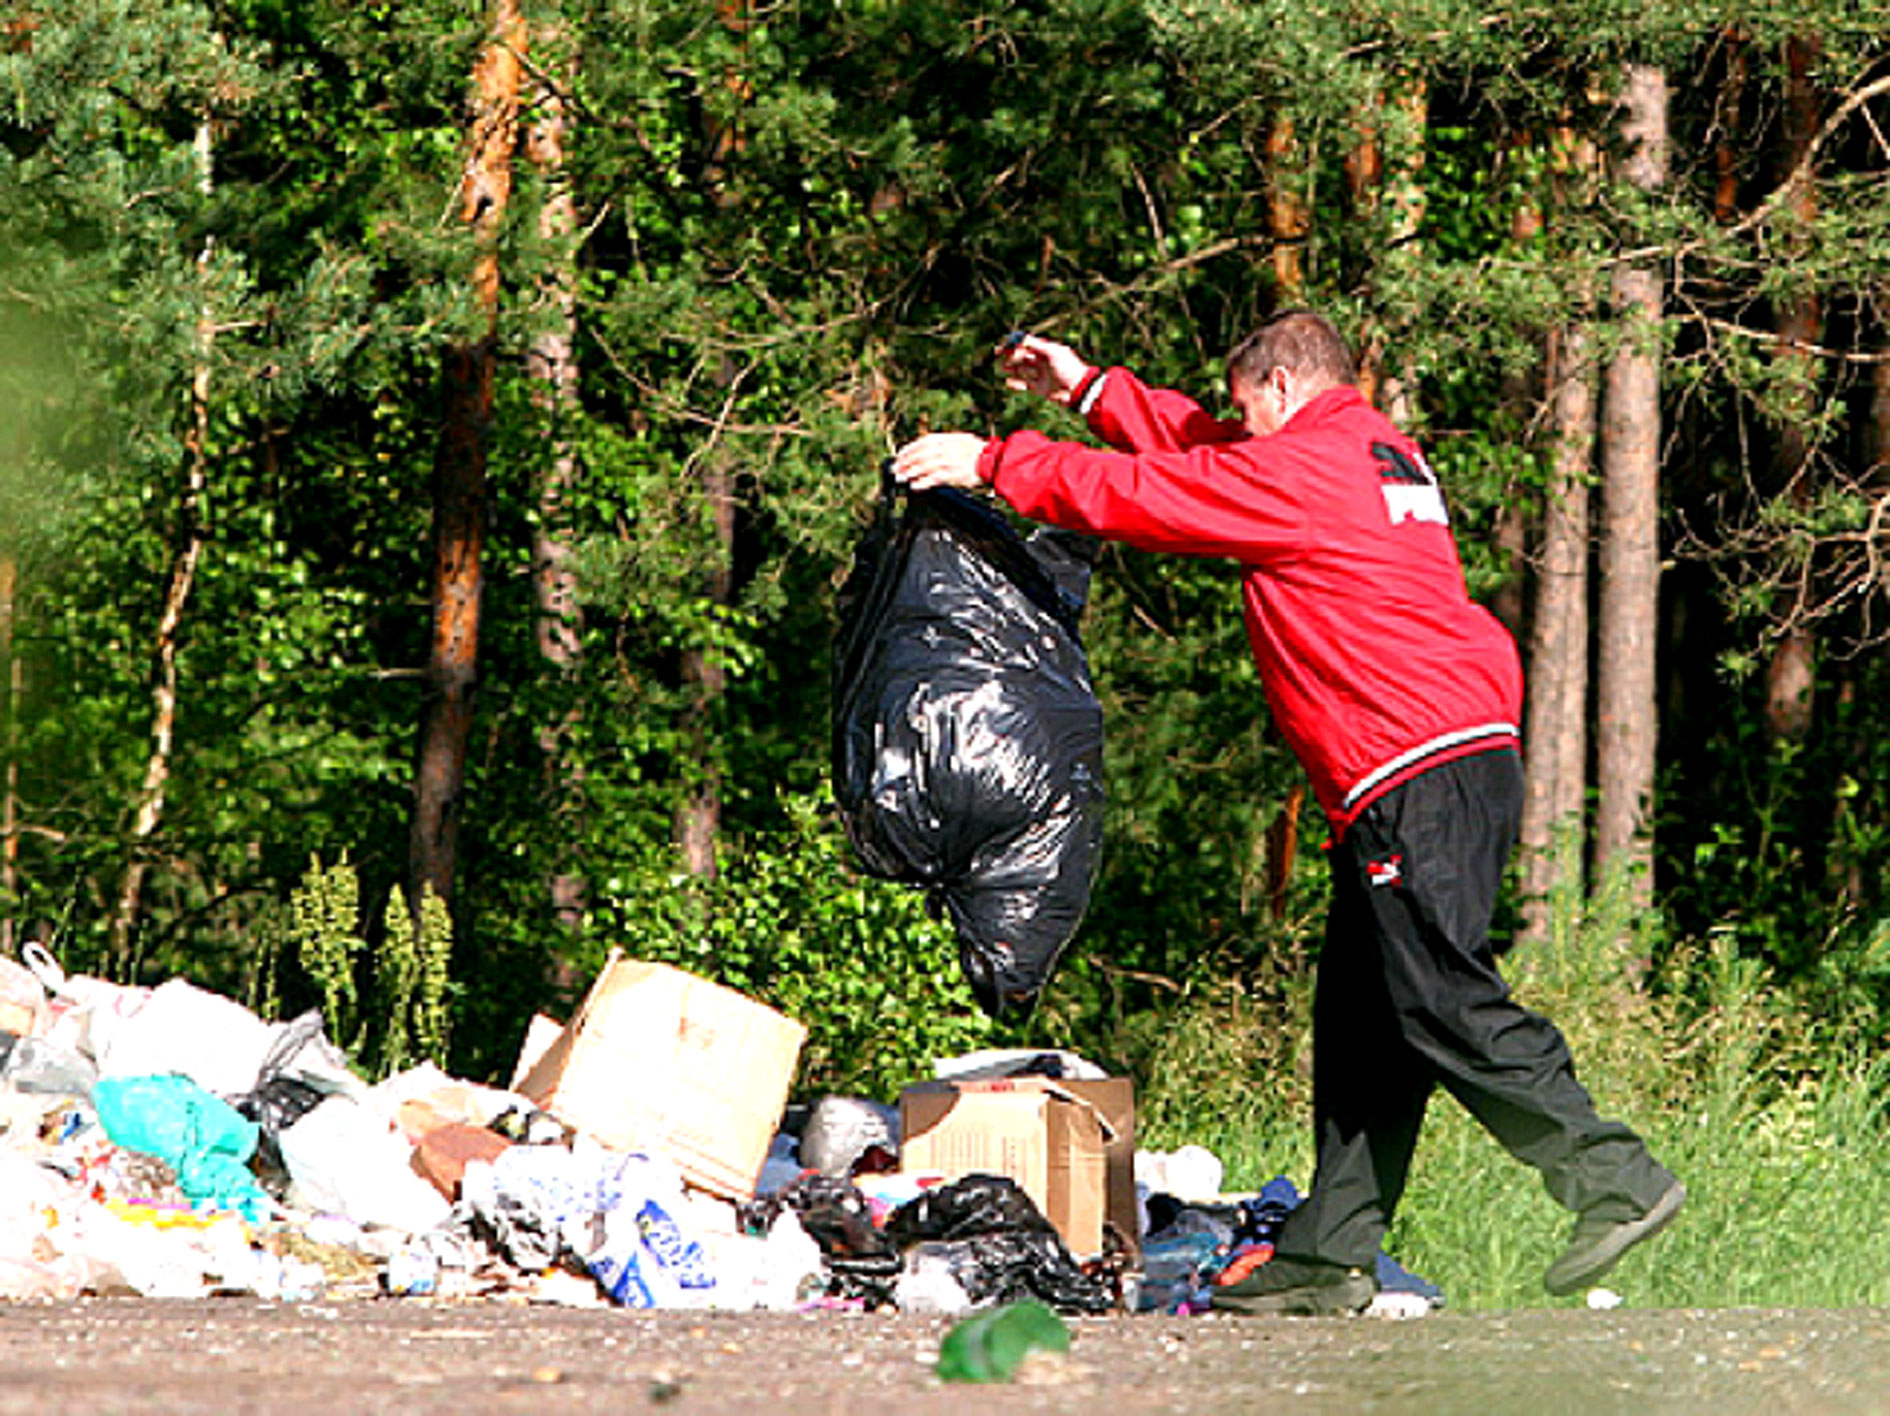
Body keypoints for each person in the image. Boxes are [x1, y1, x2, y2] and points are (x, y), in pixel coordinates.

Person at [891, 310, 1683, 1315]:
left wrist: (998, 460)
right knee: (1362, 1023)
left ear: (1277, 388)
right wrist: (1087, 389)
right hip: (1429, 763)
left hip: (1412, 768)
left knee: (1440, 996)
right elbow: (1205, 458)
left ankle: (1611, 1177)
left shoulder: (1307, 472)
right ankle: (1327, 1258)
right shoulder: (1369, 451)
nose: (1235, 422)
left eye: (1241, 404)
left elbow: (1158, 495)